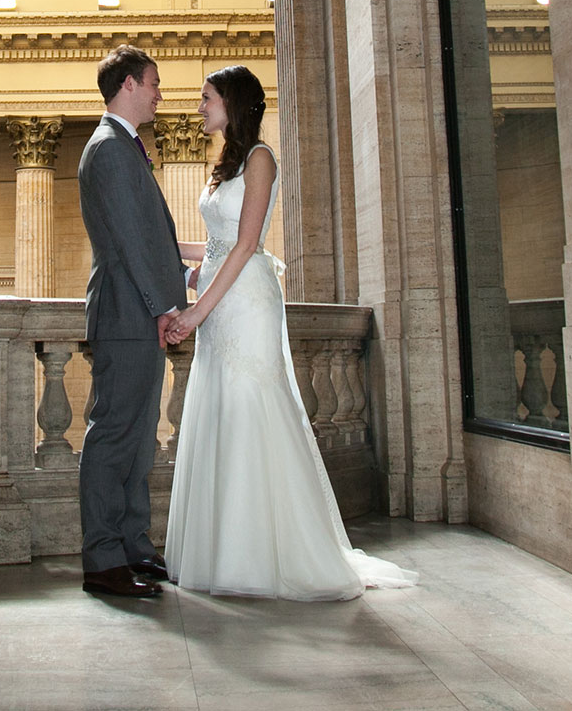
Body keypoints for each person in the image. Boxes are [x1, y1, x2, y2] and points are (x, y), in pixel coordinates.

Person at [162, 65, 417, 599]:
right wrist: (168, 254)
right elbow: (214, 244)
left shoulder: (260, 159)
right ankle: (221, 550)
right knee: (221, 410)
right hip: (223, 299)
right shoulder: (225, 163)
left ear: (232, 102)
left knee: (253, 407)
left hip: (245, 303)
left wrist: (195, 312)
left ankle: (269, 554)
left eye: (207, 98)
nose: (200, 106)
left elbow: (247, 245)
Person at [76, 44, 187, 598]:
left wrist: (180, 286)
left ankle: (132, 543)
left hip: (135, 314)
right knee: (114, 436)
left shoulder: (124, 147)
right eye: (154, 83)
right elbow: (130, 243)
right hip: (126, 313)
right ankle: (102, 557)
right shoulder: (110, 150)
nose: (159, 93)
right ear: (128, 85)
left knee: (140, 438)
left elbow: (151, 237)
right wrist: (163, 306)